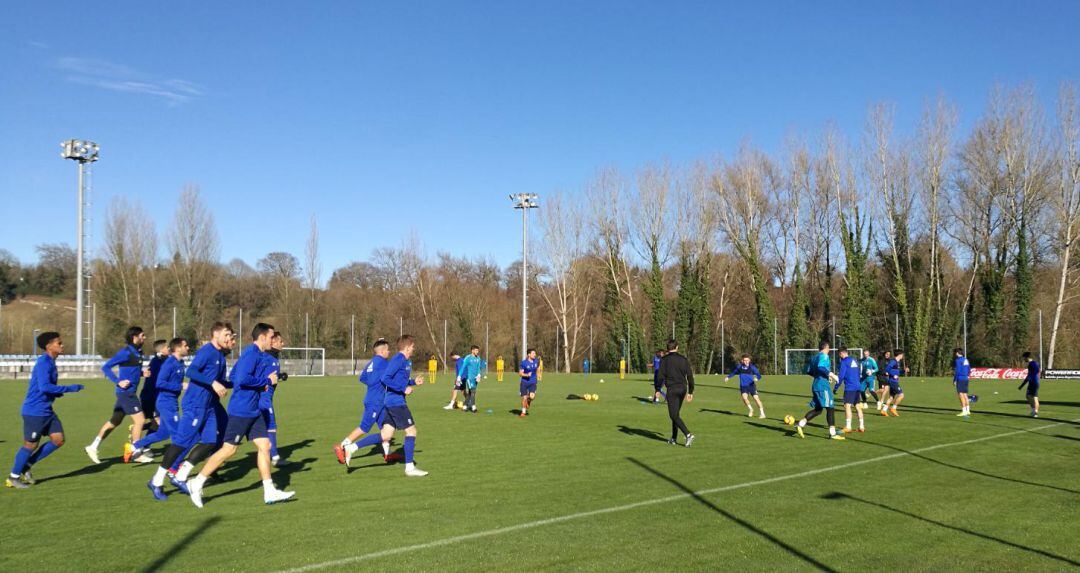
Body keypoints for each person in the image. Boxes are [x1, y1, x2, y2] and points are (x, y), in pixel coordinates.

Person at [185, 323, 295, 507]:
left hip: (254, 409)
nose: (272, 340)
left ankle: (269, 491)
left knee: (265, 445)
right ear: (261, 338)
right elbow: (242, 378)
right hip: (242, 409)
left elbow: (235, 375)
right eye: (270, 337)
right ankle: (196, 483)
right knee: (229, 449)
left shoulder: (259, 355)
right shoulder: (251, 354)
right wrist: (266, 380)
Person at [149, 322, 232, 496]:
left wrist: (239, 384)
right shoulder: (207, 351)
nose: (228, 338)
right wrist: (212, 383)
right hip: (195, 404)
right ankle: (156, 480)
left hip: (208, 406)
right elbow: (192, 371)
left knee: (210, 442)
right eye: (226, 334)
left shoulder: (219, 356)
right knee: (180, 443)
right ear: (215, 335)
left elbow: (219, 382)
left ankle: (181, 476)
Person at [6, 332, 84, 489]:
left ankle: (26, 465)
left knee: (58, 440)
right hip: (35, 411)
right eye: (59, 343)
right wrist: (69, 388)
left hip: (46, 410)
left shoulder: (51, 362)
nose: (62, 345)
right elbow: (44, 386)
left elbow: (46, 388)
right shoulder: (43, 363)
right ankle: (12, 477)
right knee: (30, 445)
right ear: (49, 346)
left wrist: (57, 393)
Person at [87, 326, 152, 465]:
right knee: (140, 420)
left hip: (128, 393)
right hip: (126, 393)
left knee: (114, 421)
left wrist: (142, 374)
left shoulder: (138, 353)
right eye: (142, 335)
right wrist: (118, 381)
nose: (144, 337)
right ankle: (136, 452)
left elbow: (132, 371)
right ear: (134, 337)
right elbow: (106, 367)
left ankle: (93, 446)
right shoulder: (125, 352)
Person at [334, 338, 399, 467]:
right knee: (364, 427)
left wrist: (374, 385)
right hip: (375, 402)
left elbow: (362, 377)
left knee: (386, 427)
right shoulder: (383, 363)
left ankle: (388, 453)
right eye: (387, 349)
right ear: (381, 351)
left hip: (376, 400)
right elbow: (394, 375)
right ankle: (342, 446)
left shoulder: (371, 363)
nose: (389, 351)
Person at [378, 335, 429, 477]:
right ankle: (409, 468)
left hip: (396, 402)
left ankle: (352, 446)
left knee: (386, 434)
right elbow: (385, 378)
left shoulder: (406, 361)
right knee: (411, 431)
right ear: (407, 347)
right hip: (396, 402)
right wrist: (403, 389)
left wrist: (413, 382)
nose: (414, 348)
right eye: (413, 346)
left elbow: (400, 380)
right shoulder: (398, 359)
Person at [134, 338, 189, 456]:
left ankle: (134, 446)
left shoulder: (180, 363)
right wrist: (180, 386)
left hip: (172, 401)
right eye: (185, 345)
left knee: (163, 433)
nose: (188, 347)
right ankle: (175, 464)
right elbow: (160, 383)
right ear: (178, 348)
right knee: (178, 433)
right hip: (165, 402)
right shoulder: (168, 363)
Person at [790, 341, 844, 440]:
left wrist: (824, 376)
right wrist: (831, 375)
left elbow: (809, 371)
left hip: (816, 385)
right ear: (826, 348)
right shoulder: (824, 356)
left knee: (818, 410)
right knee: (830, 408)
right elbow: (821, 367)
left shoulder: (815, 357)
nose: (829, 351)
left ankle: (800, 424)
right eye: (829, 348)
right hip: (823, 386)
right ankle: (832, 434)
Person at [658, 339, 695, 447]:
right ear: (677, 347)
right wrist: (690, 391)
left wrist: (657, 389)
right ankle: (674, 438)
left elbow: (660, 376)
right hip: (682, 389)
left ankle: (688, 435)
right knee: (675, 414)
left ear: (667, 349)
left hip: (672, 389)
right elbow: (690, 376)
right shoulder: (684, 359)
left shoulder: (664, 360)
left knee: (673, 415)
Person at [259, 332, 289, 466]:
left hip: (263, 398)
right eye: (280, 341)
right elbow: (264, 379)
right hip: (263, 399)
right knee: (271, 427)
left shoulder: (270, 358)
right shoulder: (268, 359)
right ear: (273, 343)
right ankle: (275, 457)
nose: (283, 344)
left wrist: (280, 376)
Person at [141, 339, 169, 435]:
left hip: (158, 396)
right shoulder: (156, 362)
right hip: (152, 397)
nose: (168, 348)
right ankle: (141, 441)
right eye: (166, 347)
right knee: (159, 422)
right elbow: (154, 382)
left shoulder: (164, 360)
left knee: (158, 423)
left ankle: (144, 444)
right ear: (160, 350)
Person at [833, 348, 864, 433]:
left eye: (839, 354)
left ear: (842, 353)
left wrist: (836, 387)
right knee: (857, 406)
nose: (839, 356)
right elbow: (858, 373)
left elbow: (841, 376)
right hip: (857, 386)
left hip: (850, 387)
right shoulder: (854, 360)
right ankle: (861, 426)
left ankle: (848, 427)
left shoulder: (844, 362)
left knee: (847, 406)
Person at [726, 354, 765, 418]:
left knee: (756, 398)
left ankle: (762, 413)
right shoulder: (739, 367)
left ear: (749, 360)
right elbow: (734, 372)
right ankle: (751, 409)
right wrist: (728, 377)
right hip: (743, 386)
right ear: (742, 361)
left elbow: (759, 375)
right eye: (745, 360)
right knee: (744, 398)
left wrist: (757, 378)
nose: (746, 361)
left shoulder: (752, 367)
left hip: (751, 385)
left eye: (747, 360)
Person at [882, 351, 906, 416]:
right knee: (901, 395)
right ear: (899, 355)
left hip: (893, 381)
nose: (902, 356)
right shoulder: (893, 361)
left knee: (891, 397)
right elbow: (887, 369)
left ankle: (884, 410)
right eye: (902, 354)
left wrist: (904, 370)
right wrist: (892, 375)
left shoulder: (897, 362)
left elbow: (897, 371)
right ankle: (893, 408)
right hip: (893, 381)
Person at [461, 345, 483, 413]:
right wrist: (460, 376)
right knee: (473, 391)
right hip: (469, 378)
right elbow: (463, 367)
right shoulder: (468, 358)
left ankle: (464, 405)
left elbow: (479, 368)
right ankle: (473, 407)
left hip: (475, 378)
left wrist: (479, 375)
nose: (477, 351)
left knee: (471, 393)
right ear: (472, 350)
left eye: (478, 350)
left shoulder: (478, 358)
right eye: (476, 350)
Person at [1018, 352, 1040, 417]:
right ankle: (1035, 412)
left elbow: (1029, 376)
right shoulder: (1035, 363)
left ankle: (1034, 411)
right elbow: (1037, 371)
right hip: (1036, 382)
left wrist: (1022, 385)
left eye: (1024, 358)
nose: (1024, 359)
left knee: (1028, 396)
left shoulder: (1031, 364)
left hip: (1032, 382)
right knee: (1035, 397)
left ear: (1027, 357)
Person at [518, 348, 539, 417]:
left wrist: (537, 375)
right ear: (529, 354)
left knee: (532, 397)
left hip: (533, 382)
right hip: (524, 382)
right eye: (533, 353)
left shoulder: (536, 361)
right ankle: (523, 412)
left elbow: (537, 368)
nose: (534, 355)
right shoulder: (524, 363)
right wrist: (527, 375)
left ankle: (529, 400)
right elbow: (520, 373)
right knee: (524, 398)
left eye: (535, 353)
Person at [953, 348, 972, 417]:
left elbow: (957, 371)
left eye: (955, 352)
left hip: (960, 378)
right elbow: (969, 369)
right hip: (966, 378)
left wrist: (954, 380)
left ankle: (964, 411)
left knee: (961, 395)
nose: (955, 354)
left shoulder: (958, 360)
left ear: (957, 353)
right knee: (965, 394)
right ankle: (968, 410)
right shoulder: (965, 359)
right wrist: (967, 376)